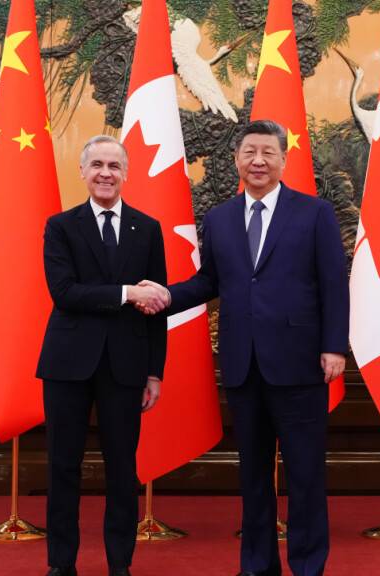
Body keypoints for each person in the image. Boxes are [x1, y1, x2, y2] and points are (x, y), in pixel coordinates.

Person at [155, 119, 349, 576]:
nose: (258, 161)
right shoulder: (219, 218)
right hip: (243, 366)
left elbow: (334, 284)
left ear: (284, 159)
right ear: (237, 160)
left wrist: (334, 346)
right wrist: (163, 296)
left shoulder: (314, 212)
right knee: (253, 475)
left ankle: (307, 565)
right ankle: (257, 565)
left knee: (304, 476)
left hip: (301, 364)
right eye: (249, 153)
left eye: (267, 152)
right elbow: (209, 282)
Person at [36, 135, 170, 576]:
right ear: (82, 172)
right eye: (97, 165)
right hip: (68, 365)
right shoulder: (61, 226)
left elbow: (156, 309)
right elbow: (65, 293)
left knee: (122, 471)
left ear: (126, 173)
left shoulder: (147, 228)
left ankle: (120, 566)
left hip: (126, 366)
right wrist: (126, 292)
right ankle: (61, 565)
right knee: (63, 467)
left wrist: (155, 372)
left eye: (114, 165)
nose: (106, 173)